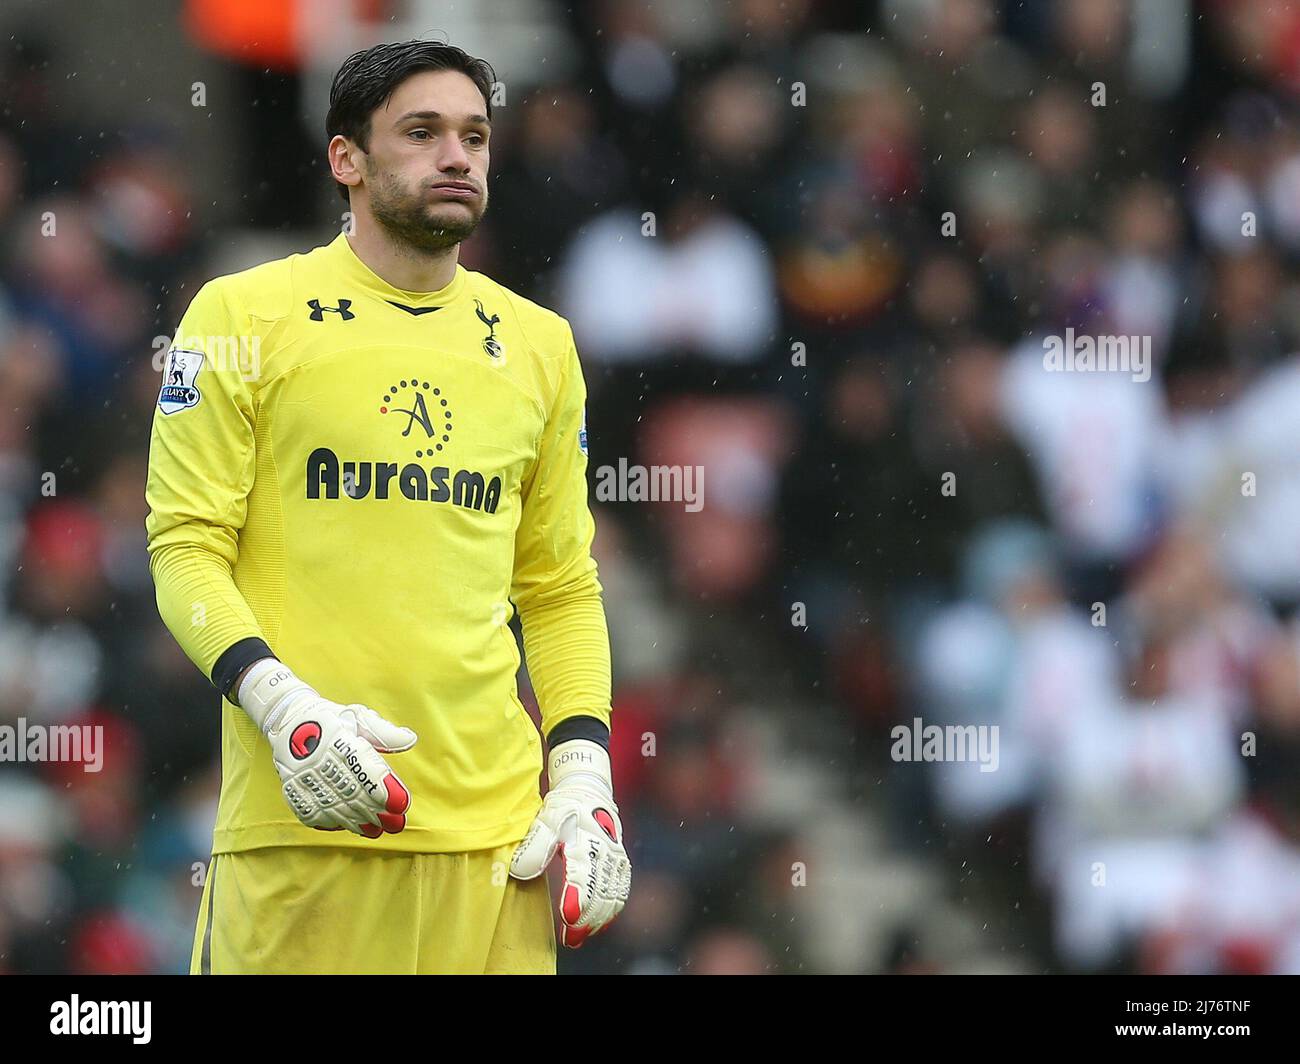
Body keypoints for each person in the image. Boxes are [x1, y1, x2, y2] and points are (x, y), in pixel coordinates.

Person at [144, 39, 631, 975]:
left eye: (476, 136)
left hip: (500, 855)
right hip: (310, 823)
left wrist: (583, 769)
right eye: (422, 132)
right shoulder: (243, 315)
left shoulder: (540, 345)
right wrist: (281, 705)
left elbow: (561, 587)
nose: (458, 156)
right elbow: (184, 546)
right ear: (347, 161)